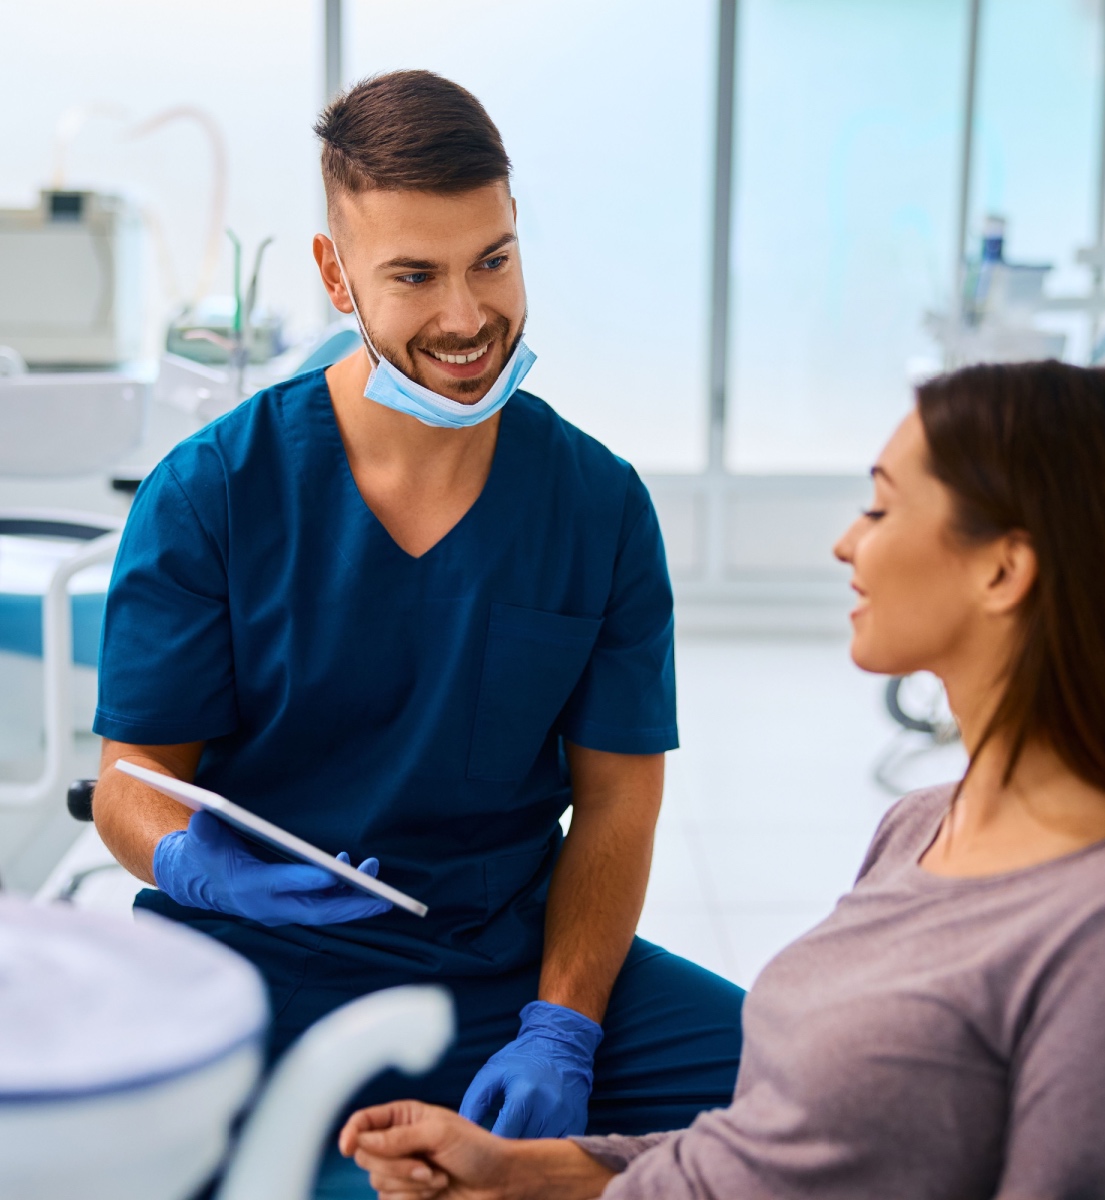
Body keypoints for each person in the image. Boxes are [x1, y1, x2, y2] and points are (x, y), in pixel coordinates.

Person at [89, 69, 743, 1196]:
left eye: (492, 259)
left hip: (506, 960)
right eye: (415, 275)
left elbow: (622, 798)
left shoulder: (596, 505)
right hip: (258, 964)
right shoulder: (214, 493)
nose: (465, 317)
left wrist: (563, 1027)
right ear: (335, 275)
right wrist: (197, 868)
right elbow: (131, 780)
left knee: (811, 1092)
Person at [336, 360, 1105, 1200]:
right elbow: (780, 1147)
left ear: (1003, 571)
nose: (846, 540)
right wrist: (532, 1176)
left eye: (881, 507)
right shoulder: (924, 825)